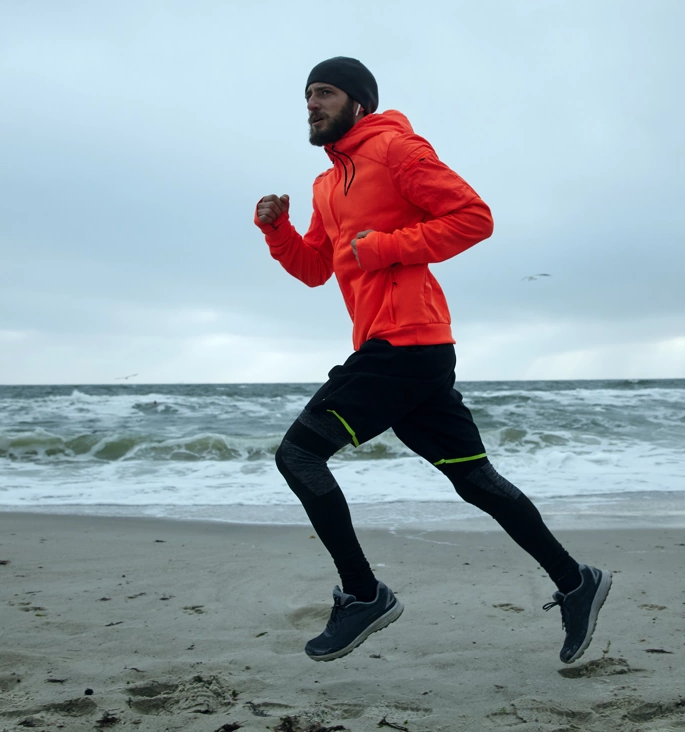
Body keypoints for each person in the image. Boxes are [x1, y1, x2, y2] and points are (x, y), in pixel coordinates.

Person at [254, 56, 610, 664]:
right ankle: (577, 582)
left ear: (358, 102)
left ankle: (365, 595)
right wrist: (279, 231)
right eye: (308, 95)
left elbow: (474, 218)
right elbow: (319, 268)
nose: (312, 104)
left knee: (300, 454)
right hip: (401, 351)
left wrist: (386, 248)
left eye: (325, 93)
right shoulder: (325, 185)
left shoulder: (396, 149)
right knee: (474, 480)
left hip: (405, 343)